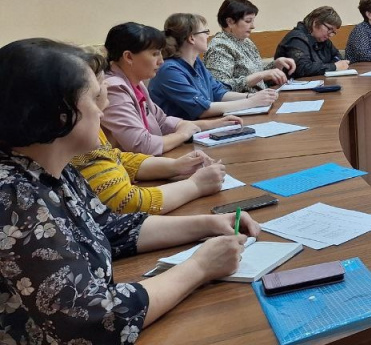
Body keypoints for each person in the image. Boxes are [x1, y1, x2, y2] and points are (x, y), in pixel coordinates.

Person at [0, 38, 259, 344]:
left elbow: (109, 226)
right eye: (95, 97)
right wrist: (200, 267)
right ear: (58, 113)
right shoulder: (14, 196)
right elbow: (94, 321)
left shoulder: (49, 167)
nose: (105, 107)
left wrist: (208, 224)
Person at [73, 48, 227, 214]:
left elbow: (116, 157)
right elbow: (126, 201)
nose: (105, 85)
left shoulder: (136, 86)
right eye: (154, 53)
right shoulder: (114, 90)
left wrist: (175, 166)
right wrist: (195, 185)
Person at [102, 22, 242, 155]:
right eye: (155, 54)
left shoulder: (135, 83)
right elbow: (142, 145)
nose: (161, 61)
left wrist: (213, 124)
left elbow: (162, 122)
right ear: (128, 57)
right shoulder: (114, 89)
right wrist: (183, 134)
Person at [149, 13, 278, 120]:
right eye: (205, 32)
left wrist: (252, 96)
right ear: (191, 38)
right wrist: (251, 102)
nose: (208, 36)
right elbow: (202, 110)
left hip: (203, 127)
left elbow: (218, 92)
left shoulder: (196, 62)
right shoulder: (169, 70)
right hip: (182, 137)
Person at [204, 0, 295, 92]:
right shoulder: (219, 47)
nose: (253, 26)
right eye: (248, 21)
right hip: (243, 100)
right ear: (230, 22)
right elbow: (220, 87)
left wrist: (276, 65)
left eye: (252, 21)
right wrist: (261, 75)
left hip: (260, 97)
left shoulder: (246, 41)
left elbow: (255, 74)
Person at [274, 6, 350, 77]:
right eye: (329, 29)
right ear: (316, 22)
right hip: (291, 84)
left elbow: (337, 57)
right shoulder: (297, 39)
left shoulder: (322, 39)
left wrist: (332, 65)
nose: (330, 35)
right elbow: (302, 69)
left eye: (333, 32)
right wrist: (334, 66)